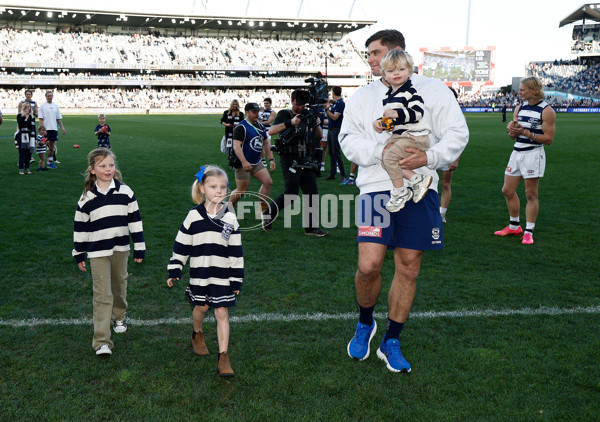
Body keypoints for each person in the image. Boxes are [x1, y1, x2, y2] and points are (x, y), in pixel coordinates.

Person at [340, 29, 469, 373]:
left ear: (396, 51)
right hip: (373, 190)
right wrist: (379, 151)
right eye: (368, 54)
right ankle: (365, 322)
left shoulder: (432, 89)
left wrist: (429, 158)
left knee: (409, 267)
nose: (370, 59)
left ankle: (391, 339)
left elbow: (457, 133)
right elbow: (347, 139)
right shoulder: (362, 95)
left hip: (420, 189)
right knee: (368, 265)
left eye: (375, 52)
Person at [167, 165, 243, 377]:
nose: (219, 191)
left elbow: (236, 252)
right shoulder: (193, 217)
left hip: (223, 275)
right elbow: (181, 245)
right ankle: (197, 334)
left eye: (223, 187)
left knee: (222, 312)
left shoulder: (230, 218)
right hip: (200, 274)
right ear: (202, 189)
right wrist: (175, 269)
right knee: (201, 307)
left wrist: (236, 279)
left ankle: (224, 356)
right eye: (213, 187)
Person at [73, 148, 145, 356]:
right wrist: (79, 253)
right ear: (92, 170)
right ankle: (102, 341)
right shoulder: (86, 198)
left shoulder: (126, 192)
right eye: (102, 166)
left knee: (119, 287)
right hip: (97, 252)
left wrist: (139, 247)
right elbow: (80, 228)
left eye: (111, 165)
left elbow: (135, 222)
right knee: (102, 295)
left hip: (120, 250)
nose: (108, 169)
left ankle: (119, 316)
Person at [494, 76, 556, 245]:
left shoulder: (547, 110)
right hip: (517, 153)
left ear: (533, 90)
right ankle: (514, 226)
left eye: (522, 90)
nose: (519, 92)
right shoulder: (519, 107)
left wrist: (525, 133)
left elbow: (549, 139)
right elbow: (513, 135)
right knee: (507, 190)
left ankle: (529, 231)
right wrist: (511, 131)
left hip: (533, 154)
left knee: (530, 194)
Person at [373, 49, 433, 212]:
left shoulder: (410, 92)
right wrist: (380, 123)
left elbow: (417, 113)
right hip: (401, 136)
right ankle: (416, 179)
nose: (396, 73)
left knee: (390, 158)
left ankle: (399, 192)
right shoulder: (389, 96)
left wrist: (397, 114)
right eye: (391, 71)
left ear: (409, 71)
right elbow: (392, 123)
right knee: (387, 160)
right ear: (384, 75)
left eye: (401, 69)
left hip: (414, 136)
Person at [263, 89, 328, 237]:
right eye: (298, 104)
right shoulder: (284, 114)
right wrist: (290, 123)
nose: (300, 107)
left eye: (302, 105)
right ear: (292, 101)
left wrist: (316, 124)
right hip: (290, 158)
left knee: (312, 193)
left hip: (305, 157)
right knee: (291, 194)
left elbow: (318, 135)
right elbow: (272, 131)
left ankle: (311, 228)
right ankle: (268, 215)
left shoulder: (307, 114)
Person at [229, 102, 276, 212]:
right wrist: (244, 162)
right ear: (247, 112)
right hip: (242, 163)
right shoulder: (241, 127)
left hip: (256, 161)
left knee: (268, 182)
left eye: (257, 111)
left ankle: (263, 210)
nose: (257, 114)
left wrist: (271, 159)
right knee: (242, 190)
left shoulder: (260, 125)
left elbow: (266, 143)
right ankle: (227, 208)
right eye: (254, 112)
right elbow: (236, 146)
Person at [324, 86, 347, 183]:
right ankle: (332, 173)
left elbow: (334, 117)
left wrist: (327, 110)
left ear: (333, 93)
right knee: (331, 152)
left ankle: (343, 175)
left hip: (336, 130)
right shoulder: (336, 103)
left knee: (336, 152)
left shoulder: (340, 103)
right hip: (331, 129)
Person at [38, 90, 66, 169]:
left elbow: (58, 119)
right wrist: (42, 130)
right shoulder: (42, 106)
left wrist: (62, 127)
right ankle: (42, 162)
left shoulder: (55, 106)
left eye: (51, 95)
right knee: (43, 146)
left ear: (52, 96)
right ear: (46, 97)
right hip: (46, 129)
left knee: (52, 146)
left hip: (54, 129)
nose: (49, 97)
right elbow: (40, 118)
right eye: (48, 96)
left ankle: (49, 162)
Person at [18, 89, 38, 159]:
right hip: (24, 123)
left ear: (31, 95)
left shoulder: (34, 102)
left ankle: (30, 155)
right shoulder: (21, 102)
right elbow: (19, 113)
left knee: (31, 138)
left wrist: (33, 113)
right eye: (27, 94)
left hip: (31, 122)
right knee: (24, 139)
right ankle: (23, 156)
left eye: (29, 94)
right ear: (25, 95)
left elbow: (36, 113)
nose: (28, 95)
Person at [439, 158, 460, 223]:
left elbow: (460, 147)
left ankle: (442, 213)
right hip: (429, 153)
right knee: (427, 183)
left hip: (447, 156)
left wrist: (456, 160)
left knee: (445, 184)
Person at [16, 102, 34, 175]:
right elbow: (20, 125)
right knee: (22, 153)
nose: (27, 108)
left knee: (28, 154)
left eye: (28, 107)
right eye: (26, 107)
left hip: (30, 136)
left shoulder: (32, 116)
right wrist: (24, 116)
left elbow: (33, 128)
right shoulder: (19, 115)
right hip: (22, 135)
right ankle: (21, 169)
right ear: (23, 107)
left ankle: (27, 169)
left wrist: (35, 139)